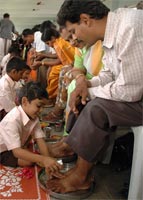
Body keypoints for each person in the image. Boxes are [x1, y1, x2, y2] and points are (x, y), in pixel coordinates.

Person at [45, 0, 143, 194]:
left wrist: (88, 91)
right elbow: (109, 74)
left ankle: (81, 177)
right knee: (83, 96)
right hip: (136, 92)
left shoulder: (130, 26)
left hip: (138, 96)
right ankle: (73, 147)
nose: (73, 39)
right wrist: (85, 84)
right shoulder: (110, 33)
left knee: (96, 107)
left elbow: (131, 90)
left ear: (85, 20)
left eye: (73, 32)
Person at [0, 81, 63, 178]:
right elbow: (17, 152)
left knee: (43, 155)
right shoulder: (12, 120)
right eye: (39, 106)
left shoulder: (34, 117)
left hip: (17, 144)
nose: (41, 110)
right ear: (24, 101)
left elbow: (40, 140)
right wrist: (43, 160)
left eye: (43, 107)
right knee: (29, 161)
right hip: (3, 151)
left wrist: (47, 159)